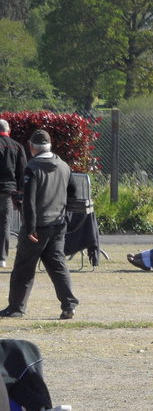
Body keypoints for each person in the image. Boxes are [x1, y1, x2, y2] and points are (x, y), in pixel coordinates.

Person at [0, 129, 79, 320]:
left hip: (38, 225)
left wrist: (30, 227)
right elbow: (74, 194)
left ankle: (16, 307)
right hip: (58, 224)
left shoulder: (33, 167)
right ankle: (69, 304)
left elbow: (30, 200)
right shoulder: (63, 165)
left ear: (32, 147)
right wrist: (63, 213)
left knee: (23, 268)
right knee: (57, 265)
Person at [0, 119, 27, 267]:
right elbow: (22, 172)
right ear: (8, 131)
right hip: (8, 190)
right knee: (4, 222)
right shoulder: (17, 147)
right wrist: (20, 193)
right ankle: (2, 257)